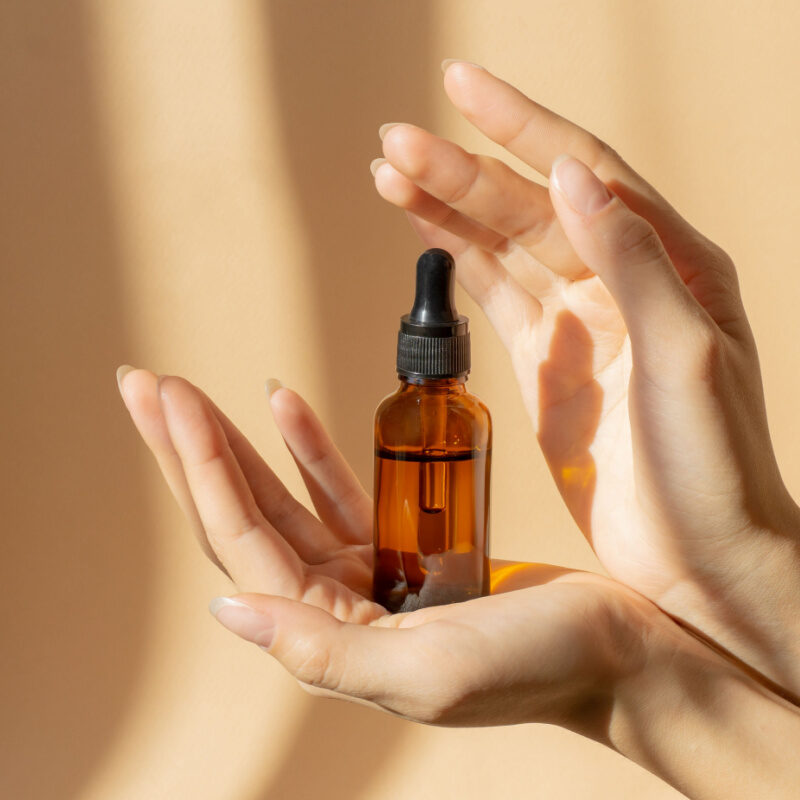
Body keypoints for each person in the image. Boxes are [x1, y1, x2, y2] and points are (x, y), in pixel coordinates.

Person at [116, 61, 800, 798]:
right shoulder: (402, 415)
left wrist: (638, 661)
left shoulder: (463, 415)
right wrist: (746, 574)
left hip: (451, 586)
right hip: (422, 585)